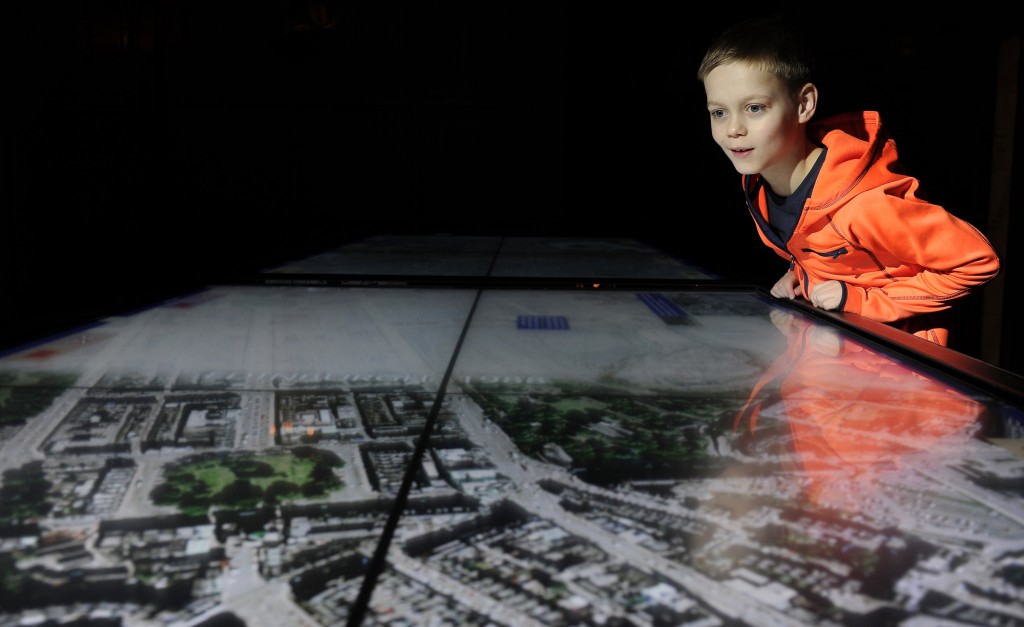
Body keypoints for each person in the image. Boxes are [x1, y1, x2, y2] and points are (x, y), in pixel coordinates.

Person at [696, 16, 1000, 347]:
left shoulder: (865, 204)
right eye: (719, 112)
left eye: (754, 108)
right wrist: (802, 277)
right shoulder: (757, 186)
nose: (733, 129)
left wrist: (861, 301)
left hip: (899, 366)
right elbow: (833, 252)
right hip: (834, 357)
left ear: (804, 104)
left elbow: (976, 262)